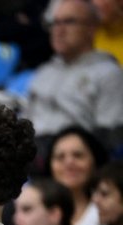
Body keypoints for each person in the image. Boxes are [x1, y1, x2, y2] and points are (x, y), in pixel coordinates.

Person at [25, 0, 123, 153]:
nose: (59, 30)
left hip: (73, 158)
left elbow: (111, 137)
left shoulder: (109, 74)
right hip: (32, 155)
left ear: (91, 28)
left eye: (69, 21)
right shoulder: (44, 72)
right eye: (55, 23)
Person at [44, 125, 110, 225]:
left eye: (78, 155)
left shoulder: (110, 211)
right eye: (60, 157)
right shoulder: (37, 214)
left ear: (95, 161)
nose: (69, 162)